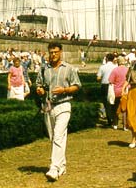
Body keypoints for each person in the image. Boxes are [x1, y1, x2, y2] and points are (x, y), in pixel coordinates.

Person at [36, 42, 81, 182]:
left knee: (58, 136)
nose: (53, 55)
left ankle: (54, 168)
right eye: (51, 52)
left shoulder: (69, 68)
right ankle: (62, 165)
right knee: (55, 137)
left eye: (55, 52)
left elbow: (77, 85)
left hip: (64, 105)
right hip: (49, 106)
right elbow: (39, 84)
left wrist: (64, 90)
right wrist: (40, 90)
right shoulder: (44, 68)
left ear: (61, 52)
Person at [96, 53, 117, 127]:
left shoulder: (102, 67)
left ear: (106, 59)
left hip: (105, 85)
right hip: (113, 85)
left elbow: (98, 78)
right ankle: (114, 119)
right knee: (113, 102)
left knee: (106, 102)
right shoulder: (115, 67)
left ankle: (109, 119)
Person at [109, 55, 130, 131]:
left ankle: (115, 124)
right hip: (126, 91)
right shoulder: (128, 70)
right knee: (125, 109)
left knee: (115, 108)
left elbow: (110, 81)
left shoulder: (115, 70)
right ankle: (125, 125)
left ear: (117, 62)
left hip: (116, 91)